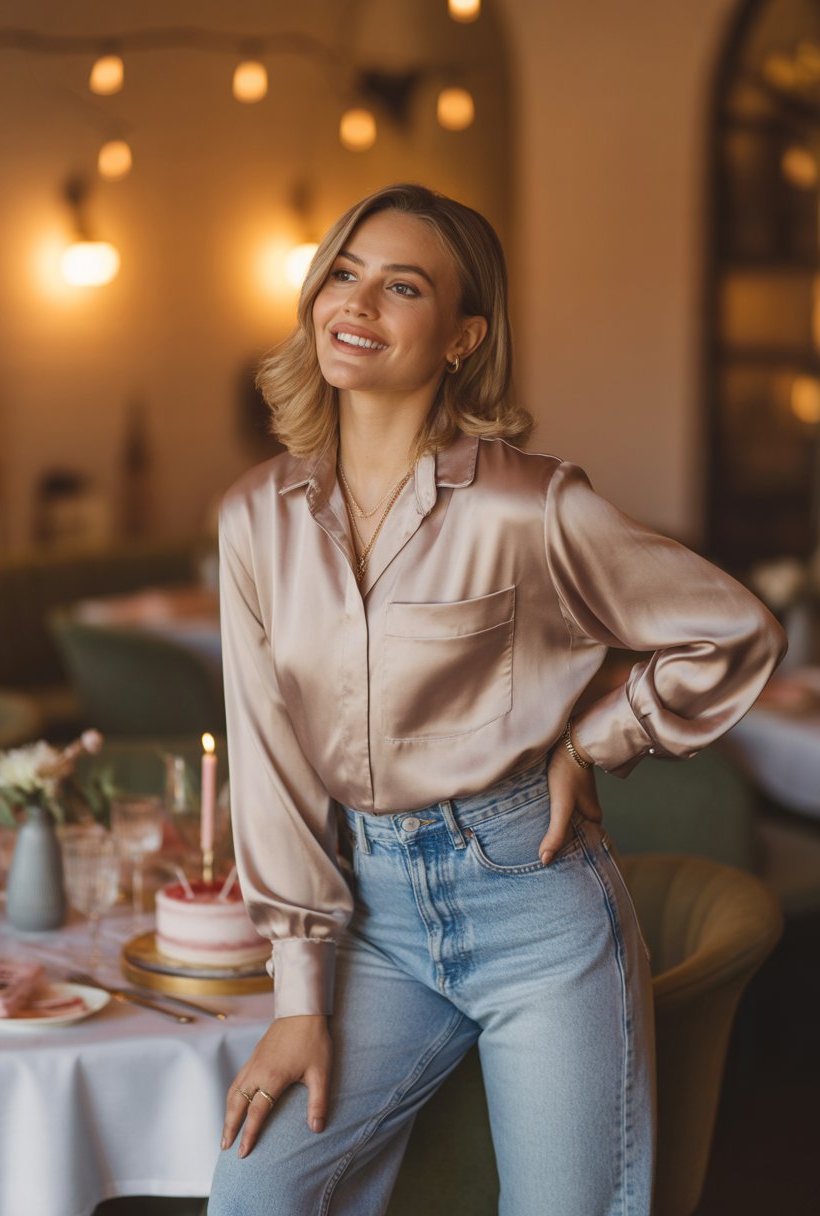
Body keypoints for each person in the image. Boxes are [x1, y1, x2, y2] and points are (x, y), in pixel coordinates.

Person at [208, 183, 785, 1216]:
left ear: (463, 336)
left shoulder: (531, 506)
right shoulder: (257, 517)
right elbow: (269, 761)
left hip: (536, 904)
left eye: (402, 286)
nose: (358, 302)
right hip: (370, 914)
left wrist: (595, 740)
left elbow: (732, 628)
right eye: (344, 272)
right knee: (255, 1191)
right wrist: (298, 996)